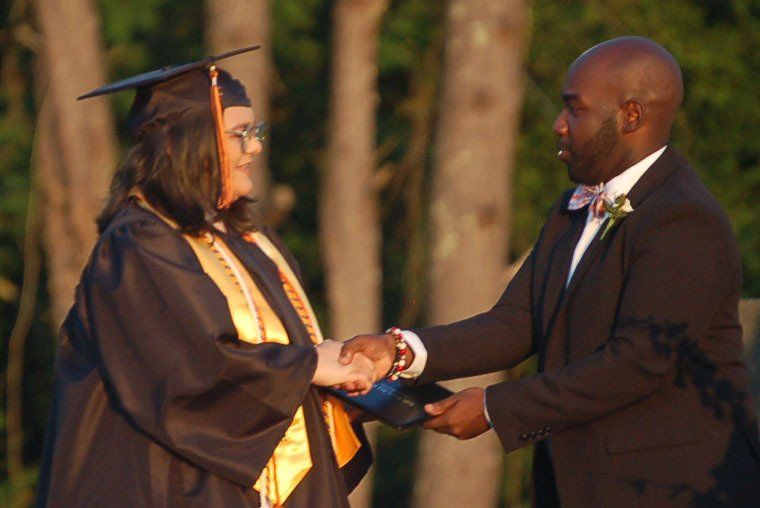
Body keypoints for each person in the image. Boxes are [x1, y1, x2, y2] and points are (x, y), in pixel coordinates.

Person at [340, 37, 760, 507]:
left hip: (672, 488)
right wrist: (400, 351)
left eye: (575, 110)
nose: (559, 125)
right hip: (578, 485)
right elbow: (516, 322)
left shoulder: (684, 219)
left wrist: (495, 408)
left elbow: (638, 362)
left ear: (631, 116)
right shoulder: (572, 209)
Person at [37, 46, 374, 508]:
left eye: (256, 131)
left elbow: (271, 369)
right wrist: (310, 366)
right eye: (240, 134)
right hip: (171, 485)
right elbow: (190, 369)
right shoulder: (137, 245)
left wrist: (333, 391)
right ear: (182, 143)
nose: (255, 146)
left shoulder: (252, 242)